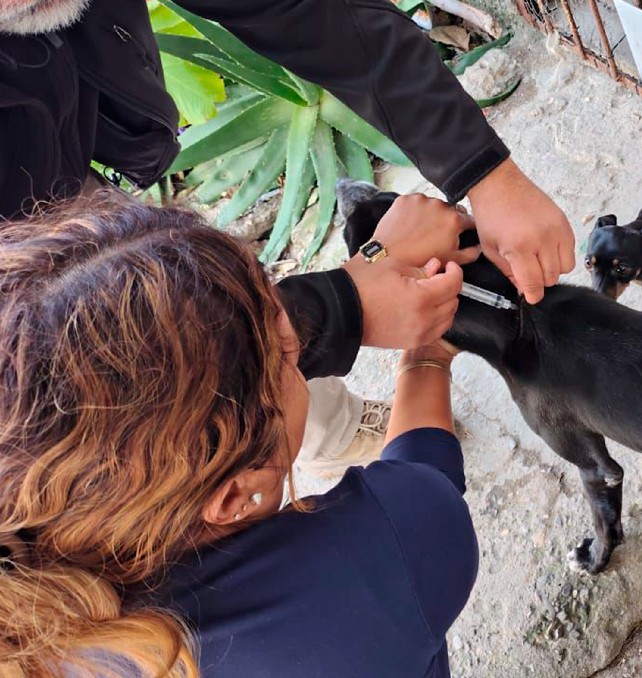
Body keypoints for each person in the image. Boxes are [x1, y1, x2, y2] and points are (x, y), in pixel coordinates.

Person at [0, 0, 574, 479]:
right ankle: (259, 434)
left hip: (77, 168)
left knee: (224, 312)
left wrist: (484, 171)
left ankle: (323, 425)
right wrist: (344, 304)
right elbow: (66, 397)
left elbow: (306, 11)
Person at [0, 193, 478, 677]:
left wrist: (363, 271)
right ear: (232, 496)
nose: (299, 343)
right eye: (288, 355)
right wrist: (427, 356)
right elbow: (425, 484)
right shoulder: (374, 561)